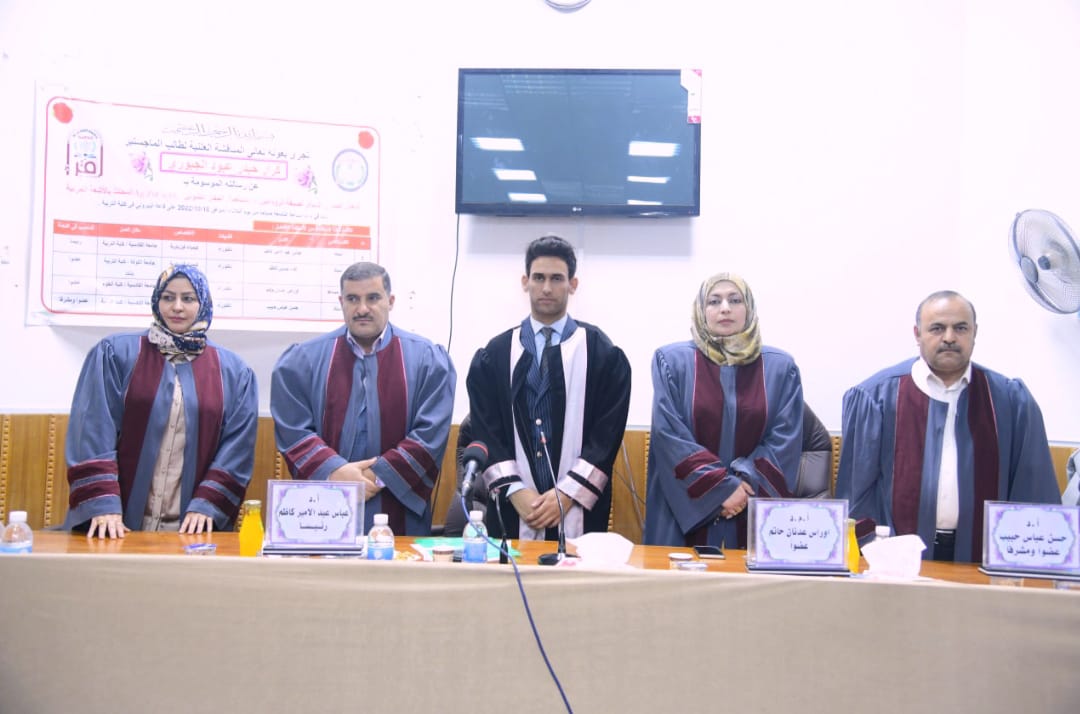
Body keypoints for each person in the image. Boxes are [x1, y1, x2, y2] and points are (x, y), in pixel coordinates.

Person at [836, 290, 1059, 562]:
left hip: (983, 561)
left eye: (961, 328)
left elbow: (1033, 492)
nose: (950, 337)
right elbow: (857, 496)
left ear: (975, 333)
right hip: (896, 564)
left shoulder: (1009, 401)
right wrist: (880, 555)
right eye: (937, 328)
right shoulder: (876, 398)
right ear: (917, 334)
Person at [63, 264, 258, 538]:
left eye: (188, 298)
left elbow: (237, 447)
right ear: (156, 300)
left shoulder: (233, 372)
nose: (177, 307)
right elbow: (92, 429)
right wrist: (102, 503)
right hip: (116, 522)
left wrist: (208, 505)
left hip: (190, 527)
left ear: (203, 304)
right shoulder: (116, 354)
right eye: (168, 297)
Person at [270, 262, 455, 536]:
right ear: (341, 302)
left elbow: (430, 434)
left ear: (390, 301)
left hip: (398, 507)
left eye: (373, 298)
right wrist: (336, 472)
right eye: (353, 299)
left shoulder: (427, 360)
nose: (362, 309)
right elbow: (293, 428)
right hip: (322, 508)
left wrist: (372, 477)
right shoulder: (304, 361)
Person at [466, 235, 631, 541]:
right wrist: (515, 491)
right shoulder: (496, 355)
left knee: (576, 570)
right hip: (514, 507)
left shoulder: (602, 355)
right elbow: (487, 429)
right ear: (525, 282)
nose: (546, 288)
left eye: (557, 278)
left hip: (577, 507)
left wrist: (566, 494)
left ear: (573, 284)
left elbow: (605, 437)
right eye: (539, 278)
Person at [644, 273, 804, 548]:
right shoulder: (672, 362)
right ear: (701, 310)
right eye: (714, 301)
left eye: (735, 300)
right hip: (682, 509)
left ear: (749, 309)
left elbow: (784, 441)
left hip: (750, 506)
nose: (725, 308)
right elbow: (669, 436)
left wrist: (741, 487)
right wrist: (720, 489)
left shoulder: (780, 368)